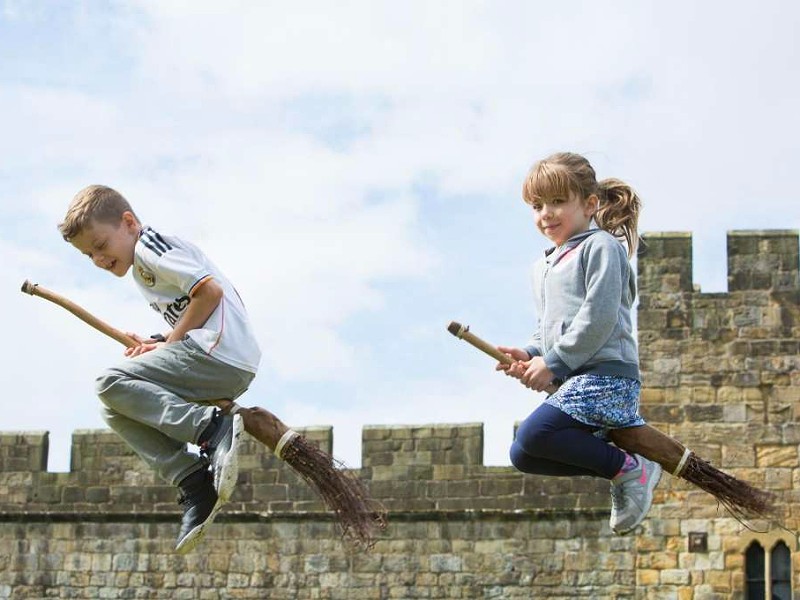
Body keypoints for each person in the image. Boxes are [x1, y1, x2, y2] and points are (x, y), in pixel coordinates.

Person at [58, 185, 261, 553]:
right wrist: (162, 341)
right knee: (113, 403)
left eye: (101, 246)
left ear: (129, 222)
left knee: (110, 381)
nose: (99, 260)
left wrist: (171, 345)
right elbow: (195, 307)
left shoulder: (151, 247)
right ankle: (192, 479)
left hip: (219, 354)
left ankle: (211, 429)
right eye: (89, 255)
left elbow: (209, 293)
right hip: (215, 354)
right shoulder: (144, 264)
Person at [497, 152, 662, 535]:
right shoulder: (543, 266)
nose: (546, 214)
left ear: (589, 205)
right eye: (537, 206)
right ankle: (620, 464)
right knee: (523, 453)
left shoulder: (601, 247)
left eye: (557, 202)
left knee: (535, 434)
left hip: (607, 379)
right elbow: (548, 328)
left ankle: (629, 470)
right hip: (575, 383)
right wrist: (531, 353)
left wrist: (553, 362)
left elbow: (598, 318)